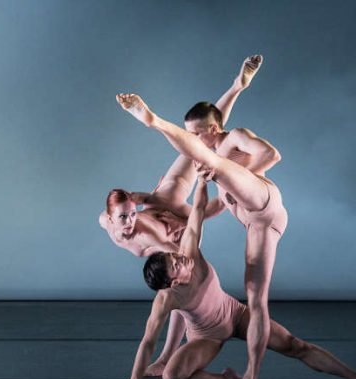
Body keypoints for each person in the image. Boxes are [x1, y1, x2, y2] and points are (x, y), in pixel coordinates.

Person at [113, 179, 356, 379]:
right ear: (173, 283)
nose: (181, 258)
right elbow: (148, 341)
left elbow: (196, 211)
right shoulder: (166, 300)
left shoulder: (190, 254)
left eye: (175, 256)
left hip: (236, 315)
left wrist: (203, 180)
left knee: (294, 345)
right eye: (176, 264)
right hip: (205, 337)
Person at [116, 78, 290, 379]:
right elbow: (203, 211)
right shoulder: (178, 199)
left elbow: (267, 154)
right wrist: (208, 200)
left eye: (195, 133)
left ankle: (153, 119)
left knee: (210, 160)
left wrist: (228, 181)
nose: (192, 141)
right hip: (251, 216)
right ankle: (241, 377)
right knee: (253, 298)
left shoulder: (216, 151)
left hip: (255, 199)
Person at [100, 56, 264, 257]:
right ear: (110, 219)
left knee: (202, 139)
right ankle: (236, 87)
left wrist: (143, 198)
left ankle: (236, 87)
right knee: (220, 200)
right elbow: (179, 250)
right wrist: (181, 224)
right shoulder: (105, 220)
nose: (129, 221)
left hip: (164, 199)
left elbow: (184, 255)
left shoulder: (137, 230)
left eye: (131, 215)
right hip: (175, 213)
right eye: (124, 217)